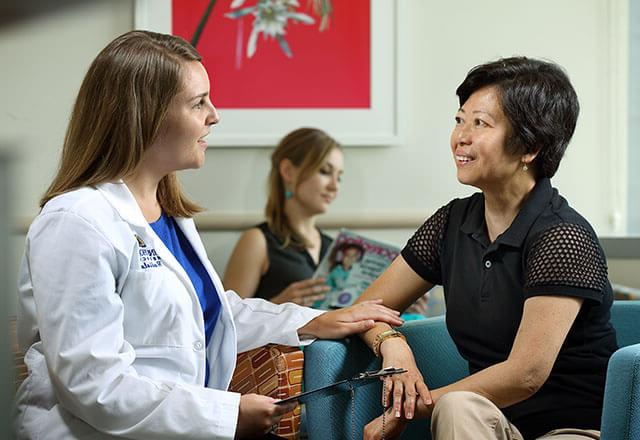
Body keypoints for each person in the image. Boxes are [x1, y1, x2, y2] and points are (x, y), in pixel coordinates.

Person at [13, 30, 404, 440]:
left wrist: (317, 321)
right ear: (146, 114)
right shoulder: (76, 221)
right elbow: (93, 384)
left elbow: (209, 315)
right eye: (199, 102)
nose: (214, 115)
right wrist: (224, 415)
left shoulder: (170, 217)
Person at [357, 57, 617, 440]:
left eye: (480, 123)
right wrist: (395, 347)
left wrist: (408, 409)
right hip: (490, 424)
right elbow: (368, 310)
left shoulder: (563, 237)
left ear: (530, 146)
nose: (461, 136)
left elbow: (525, 376)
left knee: (454, 403)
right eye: (460, 119)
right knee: (459, 405)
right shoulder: (452, 223)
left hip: (572, 428)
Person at [223, 128, 342, 306]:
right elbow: (226, 322)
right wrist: (278, 306)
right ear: (288, 171)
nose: (334, 186)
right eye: (325, 171)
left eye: (339, 177)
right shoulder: (257, 240)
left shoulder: (334, 247)